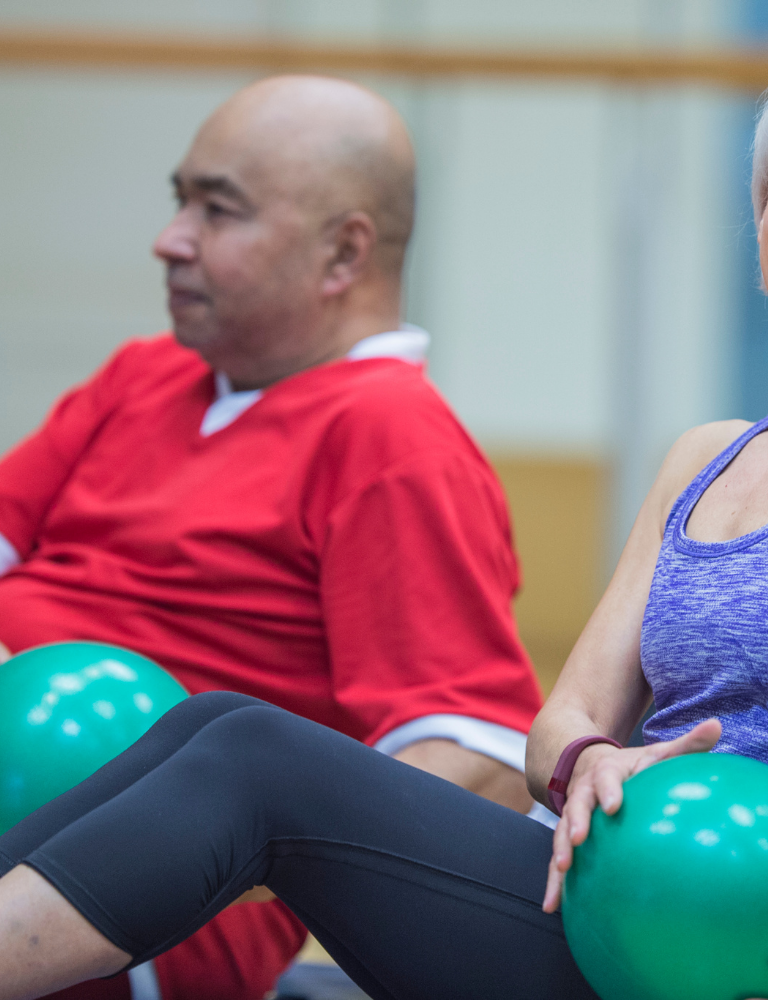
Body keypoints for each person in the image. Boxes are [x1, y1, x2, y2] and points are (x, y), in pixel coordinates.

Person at [0, 43, 768, 1000]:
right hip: (607, 902)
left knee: (255, 764)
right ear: (763, 204)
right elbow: (559, 721)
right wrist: (585, 765)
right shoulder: (706, 457)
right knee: (218, 726)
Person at [0, 76, 544, 1000]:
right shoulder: (149, 373)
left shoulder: (393, 439)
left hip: (140, 920)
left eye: (219, 211)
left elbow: (478, 759)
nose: (170, 239)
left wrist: (222, 840)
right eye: (181, 200)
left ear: (343, 253)